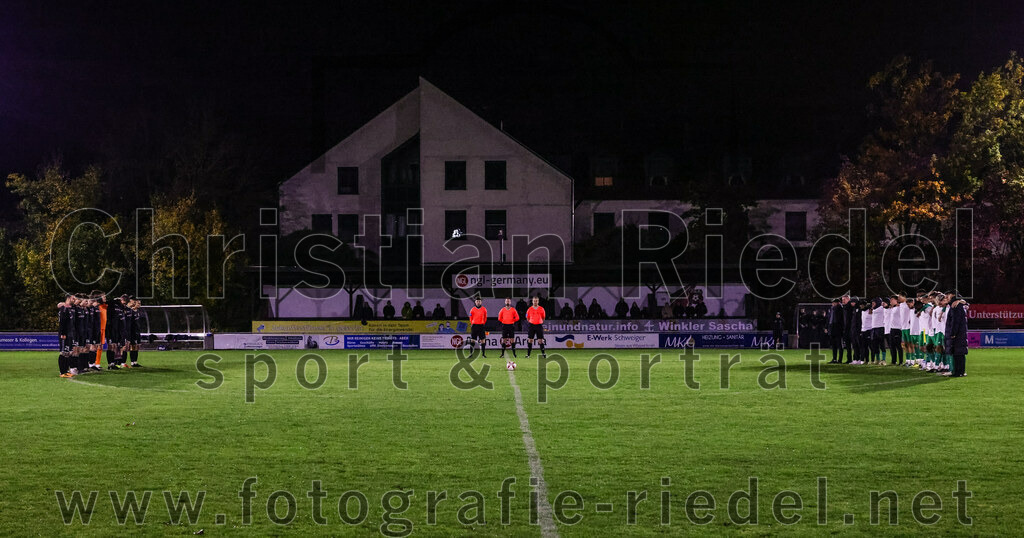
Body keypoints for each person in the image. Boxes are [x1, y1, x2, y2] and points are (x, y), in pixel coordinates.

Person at [947, 296, 968, 377]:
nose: (946, 298)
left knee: (958, 354)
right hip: (959, 334)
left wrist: (953, 333)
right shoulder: (955, 305)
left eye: (947, 296)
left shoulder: (956, 306)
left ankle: (958, 372)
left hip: (958, 334)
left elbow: (955, 321)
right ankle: (959, 372)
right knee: (959, 354)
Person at [826, 298, 845, 363]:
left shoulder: (840, 309)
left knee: (839, 345)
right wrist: (828, 327)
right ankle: (834, 359)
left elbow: (842, 320)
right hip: (832, 328)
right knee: (834, 345)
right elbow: (829, 319)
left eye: (834, 302)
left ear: (838, 303)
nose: (833, 304)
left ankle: (840, 360)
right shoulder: (832, 309)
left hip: (838, 329)